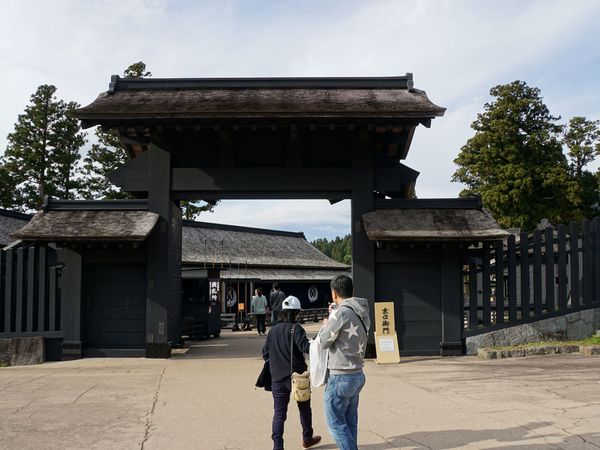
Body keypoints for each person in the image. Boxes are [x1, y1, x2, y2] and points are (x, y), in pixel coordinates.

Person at [318, 275, 370, 450]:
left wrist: (326, 323)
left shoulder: (340, 313)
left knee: (336, 423)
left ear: (334, 293)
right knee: (349, 423)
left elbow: (324, 340)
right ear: (351, 291)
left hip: (340, 376)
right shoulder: (361, 311)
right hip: (357, 374)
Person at [262, 296, 322, 450]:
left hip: (277, 378)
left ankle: (277, 446)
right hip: (297, 377)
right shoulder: (297, 329)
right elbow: (306, 348)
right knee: (304, 408)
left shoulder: (273, 331)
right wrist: (318, 338)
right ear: (296, 313)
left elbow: (265, 354)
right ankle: (307, 438)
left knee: (279, 414)